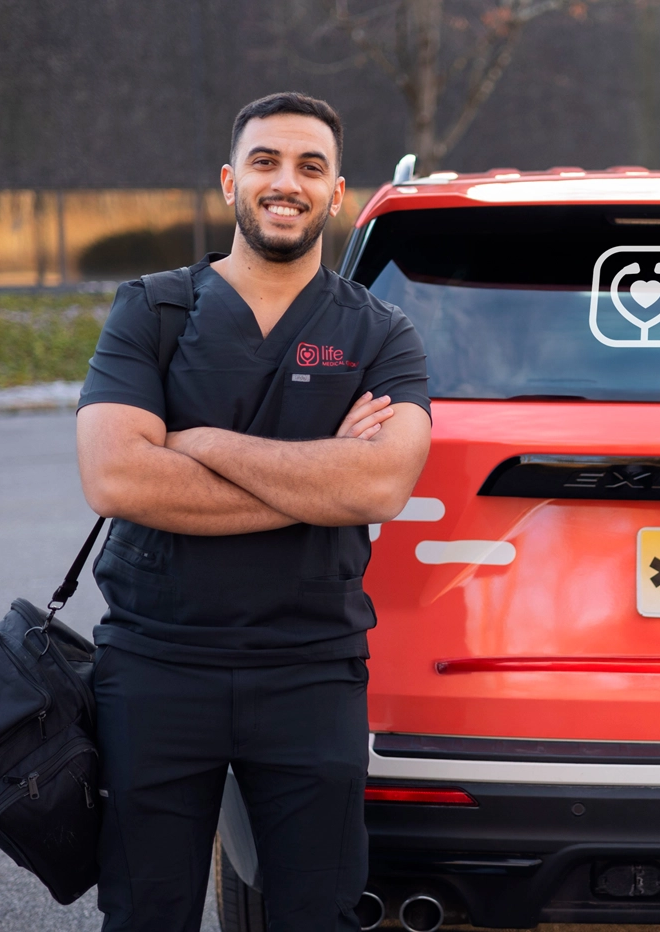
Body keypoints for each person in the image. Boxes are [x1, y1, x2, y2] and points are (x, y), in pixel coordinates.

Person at [75, 91, 431, 932]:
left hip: (311, 670)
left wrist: (199, 442)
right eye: (265, 162)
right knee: (145, 913)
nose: (286, 183)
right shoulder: (154, 309)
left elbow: (380, 488)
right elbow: (117, 478)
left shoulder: (382, 334)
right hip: (156, 664)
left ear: (336, 193)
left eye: (310, 167)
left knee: (318, 913)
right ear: (231, 181)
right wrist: (319, 476)